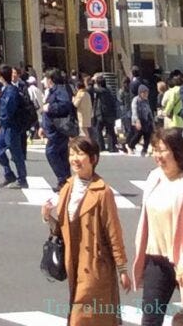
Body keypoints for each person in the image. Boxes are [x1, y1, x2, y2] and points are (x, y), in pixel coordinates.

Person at [43, 135, 127, 326]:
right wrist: (48, 217)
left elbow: (113, 230)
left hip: (95, 265)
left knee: (81, 317)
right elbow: (62, 230)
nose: (74, 159)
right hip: (73, 260)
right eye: (71, 154)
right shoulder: (68, 187)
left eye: (80, 154)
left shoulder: (102, 191)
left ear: (93, 159)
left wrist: (122, 268)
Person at [131, 129, 183, 324]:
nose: (157, 155)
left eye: (162, 150)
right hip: (156, 260)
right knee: (150, 319)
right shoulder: (154, 178)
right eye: (155, 150)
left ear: (176, 151)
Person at [0, 65, 32, 190]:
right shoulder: (6, 89)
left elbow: (8, 111)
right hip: (6, 127)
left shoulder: (11, 91)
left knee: (16, 153)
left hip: (12, 127)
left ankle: (22, 179)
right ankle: (9, 174)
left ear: (1, 76)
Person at [44, 68, 77, 189]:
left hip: (58, 129)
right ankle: (66, 180)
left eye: (46, 78)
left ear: (50, 80)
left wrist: (50, 107)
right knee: (62, 154)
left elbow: (65, 104)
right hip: (55, 128)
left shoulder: (60, 90)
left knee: (51, 152)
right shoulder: (55, 90)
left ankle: (63, 179)